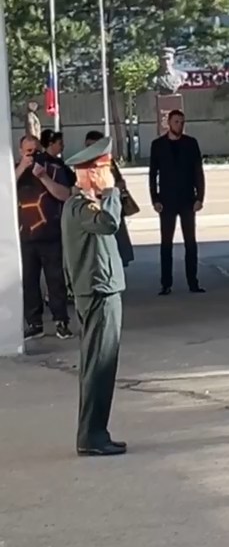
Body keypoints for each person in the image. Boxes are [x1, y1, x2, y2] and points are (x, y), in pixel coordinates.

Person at [61, 135, 128, 456]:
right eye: (103, 170)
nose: (108, 176)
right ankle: (91, 435)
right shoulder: (82, 208)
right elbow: (110, 223)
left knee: (102, 365)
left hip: (101, 289)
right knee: (98, 366)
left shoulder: (86, 205)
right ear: (89, 173)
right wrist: (111, 191)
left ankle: (96, 431)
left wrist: (108, 193)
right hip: (98, 291)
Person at [16, 134, 74, 340]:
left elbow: (64, 194)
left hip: (50, 234)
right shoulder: (16, 171)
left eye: (36, 151)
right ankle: (34, 322)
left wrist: (43, 177)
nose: (33, 155)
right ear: (21, 152)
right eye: (28, 151)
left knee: (55, 279)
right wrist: (22, 167)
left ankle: (61, 320)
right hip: (25, 235)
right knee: (29, 281)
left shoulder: (54, 169)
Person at [148, 109, 206, 295]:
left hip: (188, 199)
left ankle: (193, 282)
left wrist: (200, 198)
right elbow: (152, 174)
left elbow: (198, 172)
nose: (179, 125)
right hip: (166, 201)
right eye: (176, 122)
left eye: (181, 122)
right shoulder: (157, 145)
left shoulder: (191, 144)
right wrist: (154, 198)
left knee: (190, 242)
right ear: (168, 123)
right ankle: (166, 283)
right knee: (166, 243)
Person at [85, 131, 135, 267]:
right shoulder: (84, 164)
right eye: (89, 146)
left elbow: (120, 182)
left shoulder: (108, 162)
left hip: (111, 206)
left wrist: (111, 188)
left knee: (117, 242)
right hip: (94, 208)